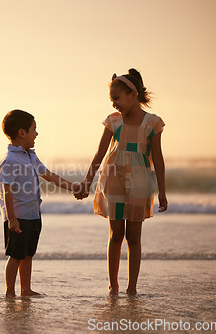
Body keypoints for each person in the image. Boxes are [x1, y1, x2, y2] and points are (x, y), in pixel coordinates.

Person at [74, 69, 167, 296]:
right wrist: (87, 181)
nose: (114, 104)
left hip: (139, 184)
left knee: (133, 237)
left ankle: (131, 287)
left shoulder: (152, 123)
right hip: (113, 181)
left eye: (117, 98)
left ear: (132, 94)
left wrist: (162, 192)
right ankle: (113, 285)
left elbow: (158, 158)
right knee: (116, 235)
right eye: (111, 100)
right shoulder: (113, 121)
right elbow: (99, 154)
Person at [0, 109, 81, 299]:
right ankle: (10, 292)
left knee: (28, 254)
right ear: (22, 133)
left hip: (33, 213)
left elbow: (48, 175)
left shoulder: (30, 156)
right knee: (16, 255)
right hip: (17, 217)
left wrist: (73, 187)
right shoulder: (9, 161)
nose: (37, 134)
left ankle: (25, 289)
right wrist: (11, 219)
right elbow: (6, 191)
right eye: (34, 129)